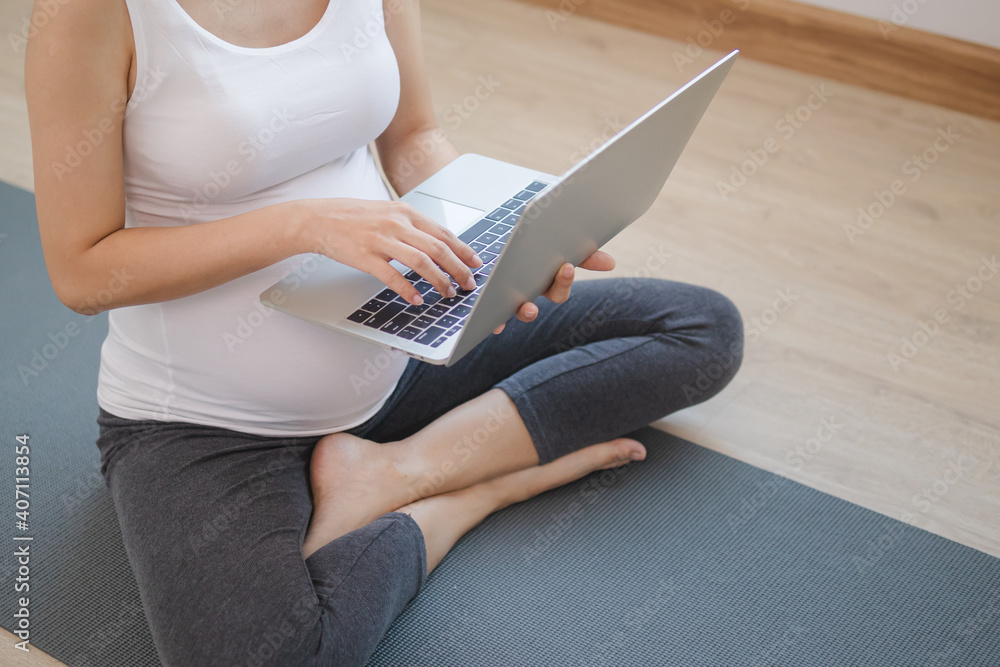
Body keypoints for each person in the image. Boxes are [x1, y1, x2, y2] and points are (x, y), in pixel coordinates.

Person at [25, 0, 743, 664]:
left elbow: (414, 138)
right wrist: (302, 225)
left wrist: (508, 232)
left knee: (698, 329)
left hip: (407, 338)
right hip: (208, 425)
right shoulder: (89, 15)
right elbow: (83, 272)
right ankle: (467, 496)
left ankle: (397, 470)